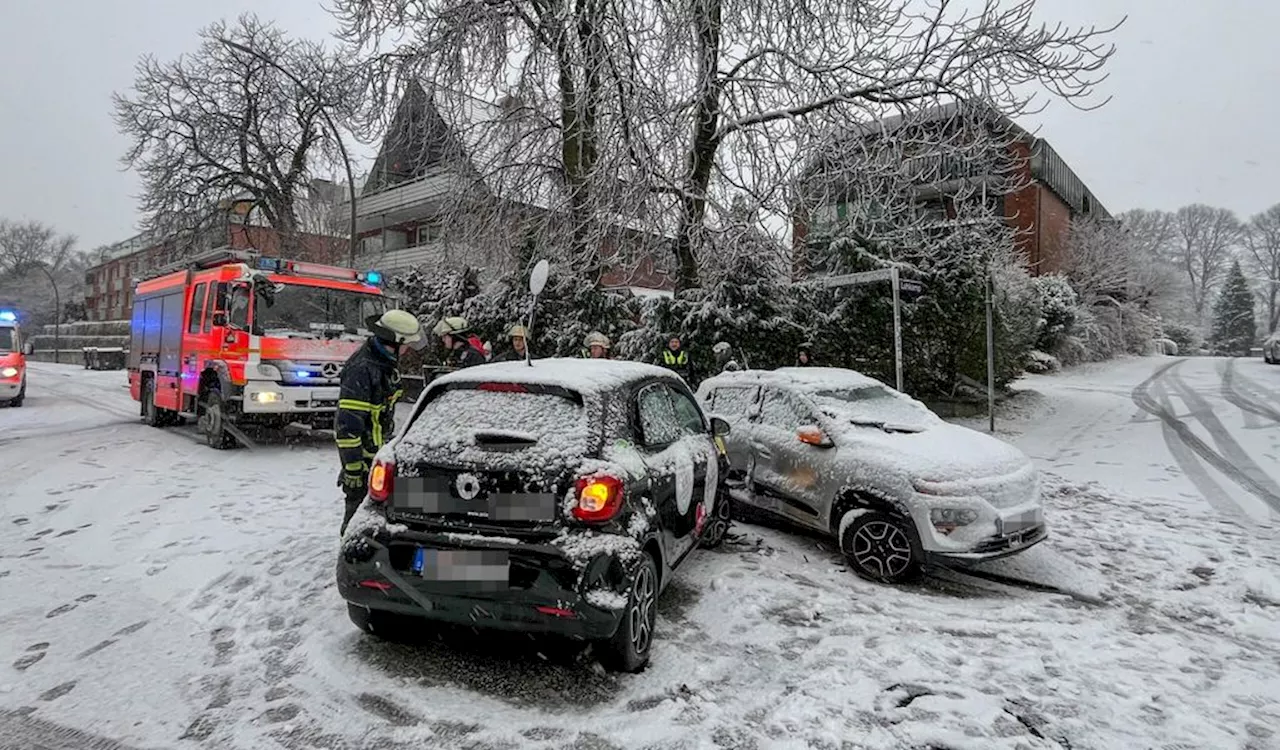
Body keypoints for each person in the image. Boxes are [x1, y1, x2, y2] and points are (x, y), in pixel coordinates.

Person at [336, 309, 422, 534]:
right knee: (358, 524)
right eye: (406, 345)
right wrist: (353, 470)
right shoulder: (363, 369)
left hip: (377, 458)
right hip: (364, 463)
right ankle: (352, 564)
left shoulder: (383, 364)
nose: (407, 350)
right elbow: (347, 427)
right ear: (395, 341)